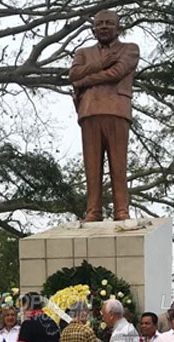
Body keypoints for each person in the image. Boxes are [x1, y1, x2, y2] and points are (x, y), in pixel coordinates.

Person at [69, 9, 140, 222]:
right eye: (99, 24)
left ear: (118, 27)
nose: (104, 27)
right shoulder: (83, 53)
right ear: (93, 29)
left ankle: (121, 210)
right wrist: (100, 63)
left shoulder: (129, 49)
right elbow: (72, 74)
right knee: (91, 165)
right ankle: (93, 210)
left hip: (117, 108)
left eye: (109, 23)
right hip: (89, 111)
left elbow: (117, 73)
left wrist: (84, 81)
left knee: (118, 163)